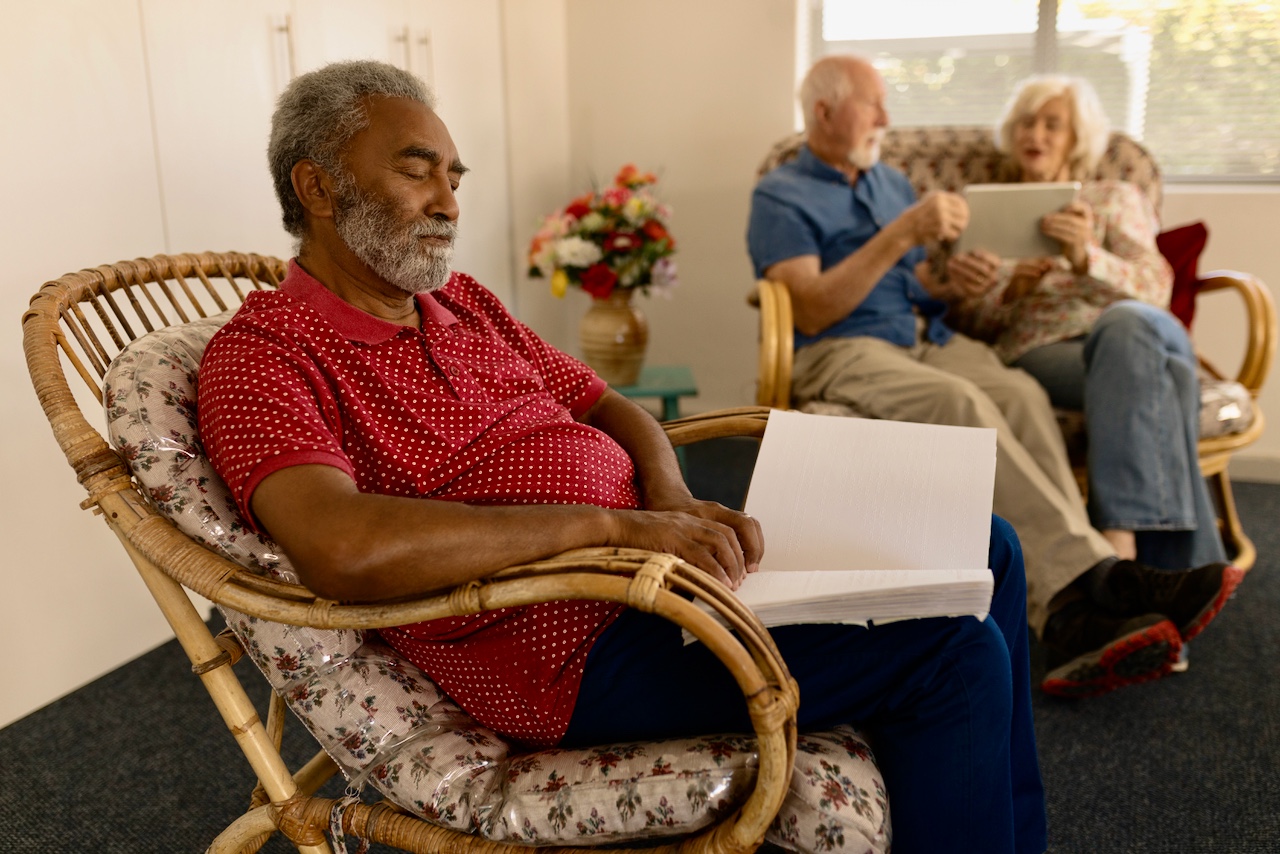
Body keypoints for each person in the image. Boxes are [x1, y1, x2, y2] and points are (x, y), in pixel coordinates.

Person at [198, 60, 1046, 853]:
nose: (449, 203)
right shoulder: (265, 356)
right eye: (417, 171)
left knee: (989, 544)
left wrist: (669, 496)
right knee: (954, 656)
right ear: (317, 186)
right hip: (569, 648)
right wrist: (615, 527)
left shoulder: (459, 302)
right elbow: (342, 546)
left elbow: (604, 402)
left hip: (658, 573)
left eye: (454, 178)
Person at [746, 54, 1240, 698]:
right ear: (824, 112)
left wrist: (955, 282)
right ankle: (1093, 587)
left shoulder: (890, 182)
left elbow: (922, 286)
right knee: (961, 401)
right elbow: (810, 304)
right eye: (875, 106)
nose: (887, 120)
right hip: (844, 347)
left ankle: (1082, 602)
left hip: (925, 337)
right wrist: (900, 237)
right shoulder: (780, 194)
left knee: (1022, 392)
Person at [945, 73, 1230, 578]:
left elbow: (1156, 286)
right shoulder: (988, 209)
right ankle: (1177, 582)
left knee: (1126, 328)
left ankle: (1119, 545)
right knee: (1169, 382)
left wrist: (1086, 258)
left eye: (1053, 124)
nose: (1037, 134)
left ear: (1077, 139)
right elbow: (972, 324)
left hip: (1136, 332)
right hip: (1046, 350)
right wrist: (1014, 292)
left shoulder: (1114, 197)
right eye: (1027, 123)